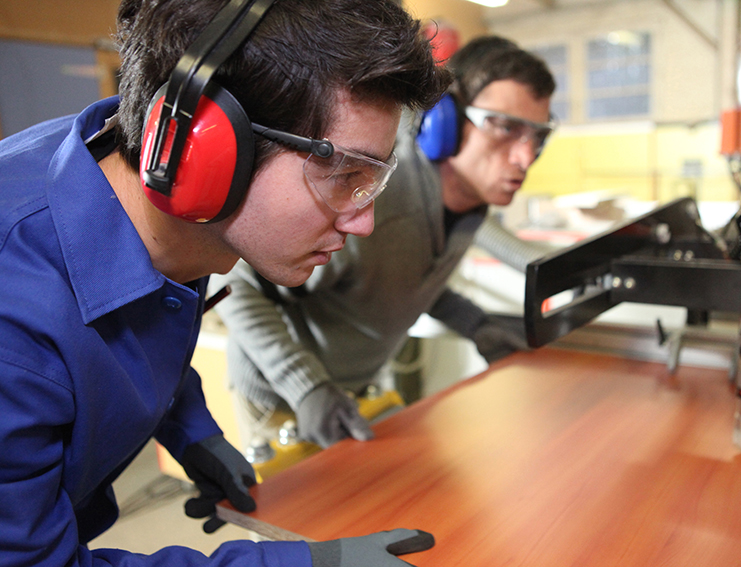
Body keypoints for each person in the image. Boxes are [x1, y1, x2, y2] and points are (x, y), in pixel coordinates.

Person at [0, 0, 451, 565]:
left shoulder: (125, 179)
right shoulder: (13, 324)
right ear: (202, 150)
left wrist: (190, 429)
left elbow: (136, 320)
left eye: (372, 181)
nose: (364, 221)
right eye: (343, 176)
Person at [213, 36, 556, 450]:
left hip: (355, 384)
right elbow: (236, 287)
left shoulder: (468, 211)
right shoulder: (372, 202)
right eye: (505, 127)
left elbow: (402, 279)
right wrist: (307, 388)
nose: (524, 158)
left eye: (536, 137)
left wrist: (477, 325)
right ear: (443, 121)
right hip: (282, 396)